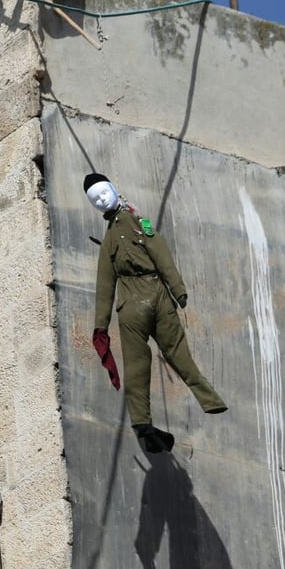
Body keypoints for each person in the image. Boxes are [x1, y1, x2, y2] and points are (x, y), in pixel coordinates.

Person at [85, 173, 227, 454]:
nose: (102, 199)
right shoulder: (116, 235)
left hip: (155, 296)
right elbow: (104, 286)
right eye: (95, 199)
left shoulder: (139, 223)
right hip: (134, 306)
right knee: (138, 367)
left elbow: (161, 255)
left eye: (103, 192)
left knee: (177, 353)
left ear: (114, 189)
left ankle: (209, 400)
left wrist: (178, 289)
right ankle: (142, 424)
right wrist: (100, 326)